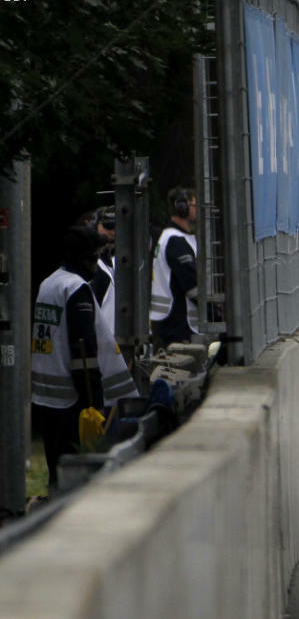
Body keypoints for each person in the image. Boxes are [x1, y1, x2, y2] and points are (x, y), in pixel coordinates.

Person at [31, 225, 137, 489]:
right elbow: (83, 353)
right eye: (95, 252)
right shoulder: (76, 289)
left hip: (46, 398)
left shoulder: (49, 283)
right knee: (76, 475)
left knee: (56, 469)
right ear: (84, 257)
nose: (98, 258)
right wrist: (93, 402)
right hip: (73, 400)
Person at [150, 187, 199, 347]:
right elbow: (192, 285)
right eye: (194, 205)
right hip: (178, 323)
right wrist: (214, 310)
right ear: (182, 208)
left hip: (170, 320)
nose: (197, 209)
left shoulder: (172, 237)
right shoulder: (176, 240)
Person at [90, 206, 117, 335]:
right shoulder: (93, 269)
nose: (113, 232)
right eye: (108, 226)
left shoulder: (117, 263)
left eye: (117, 227)